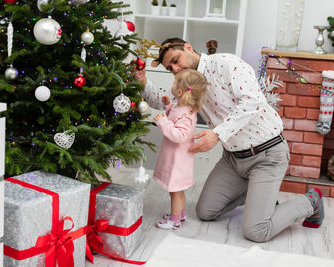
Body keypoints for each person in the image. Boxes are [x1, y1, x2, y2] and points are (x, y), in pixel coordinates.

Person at [133, 37, 324, 241]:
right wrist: (143, 82)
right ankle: (259, 197)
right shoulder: (189, 83)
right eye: (170, 68)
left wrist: (217, 134)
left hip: (267, 155)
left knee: (257, 231)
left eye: (176, 59)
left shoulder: (226, 64)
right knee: (206, 212)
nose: (176, 68)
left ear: (189, 47)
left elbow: (253, 101)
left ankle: (311, 201)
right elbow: (167, 101)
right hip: (233, 159)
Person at [153, 69, 208, 230]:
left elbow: (179, 135)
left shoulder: (186, 114)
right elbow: (174, 116)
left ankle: (175, 220)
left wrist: (163, 122)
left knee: (175, 191)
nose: (172, 84)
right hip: (175, 159)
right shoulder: (181, 108)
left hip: (178, 162)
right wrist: (168, 105)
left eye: (175, 82)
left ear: (180, 91)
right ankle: (180, 214)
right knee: (178, 190)